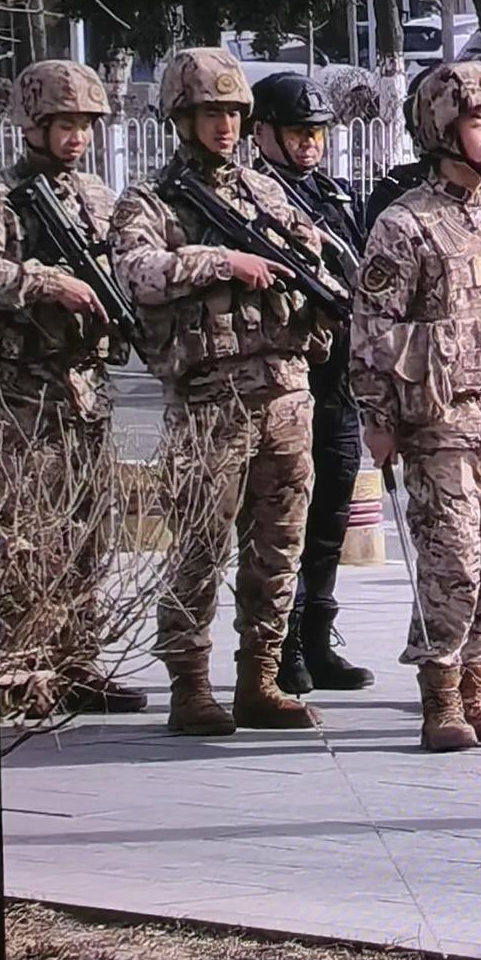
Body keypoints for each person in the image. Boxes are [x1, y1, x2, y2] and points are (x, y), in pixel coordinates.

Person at [111, 48, 343, 736]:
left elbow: (312, 257)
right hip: (211, 402)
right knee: (199, 550)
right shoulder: (151, 200)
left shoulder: (262, 190)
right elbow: (137, 271)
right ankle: (190, 684)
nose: (224, 125)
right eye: (210, 112)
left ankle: (260, 679)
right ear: (181, 116)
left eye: (234, 113)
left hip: (284, 394)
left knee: (277, 550)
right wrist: (225, 261)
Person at [351, 61, 481, 753]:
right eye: (477, 121)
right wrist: (376, 418)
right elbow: (373, 329)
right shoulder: (405, 224)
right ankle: (440, 698)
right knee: (453, 563)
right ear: (442, 129)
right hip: (445, 427)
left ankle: (478, 691)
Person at [0, 59, 146, 714]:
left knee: (89, 527)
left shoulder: (96, 194)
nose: (76, 136)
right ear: (33, 123)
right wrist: (43, 281)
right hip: (25, 390)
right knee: (26, 530)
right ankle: (24, 667)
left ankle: (78, 660)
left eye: (84, 124)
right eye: (63, 123)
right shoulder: (4, 196)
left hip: (86, 388)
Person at [249, 71, 373, 697]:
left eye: (317, 133)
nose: (309, 145)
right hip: (289, 377)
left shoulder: (336, 195)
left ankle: (319, 638)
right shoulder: (251, 199)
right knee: (285, 520)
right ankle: (283, 644)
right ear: (263, 132)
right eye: (297, 133)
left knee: (330, 516)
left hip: (340, 381)